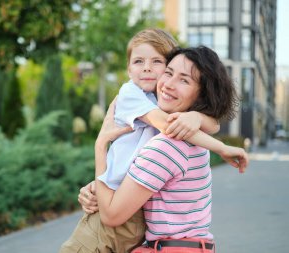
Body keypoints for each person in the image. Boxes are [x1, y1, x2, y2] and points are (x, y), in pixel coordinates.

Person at [60, 29, 220, 253]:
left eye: (157, 62)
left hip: (125, 209)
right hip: (125, 201)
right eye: (138, 61)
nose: (146, 68)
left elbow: (209, 126)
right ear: (128, 69)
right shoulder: (132, 94)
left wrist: (200, 119)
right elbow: (174, 128)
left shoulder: (165, 109)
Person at [93, 46, 249, 253]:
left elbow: (111, 215)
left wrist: (100, 146)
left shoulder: (166, 147)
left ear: (202, 94)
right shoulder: (195, 139)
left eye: (184, 80)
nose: (168, 85)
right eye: (168, 73)